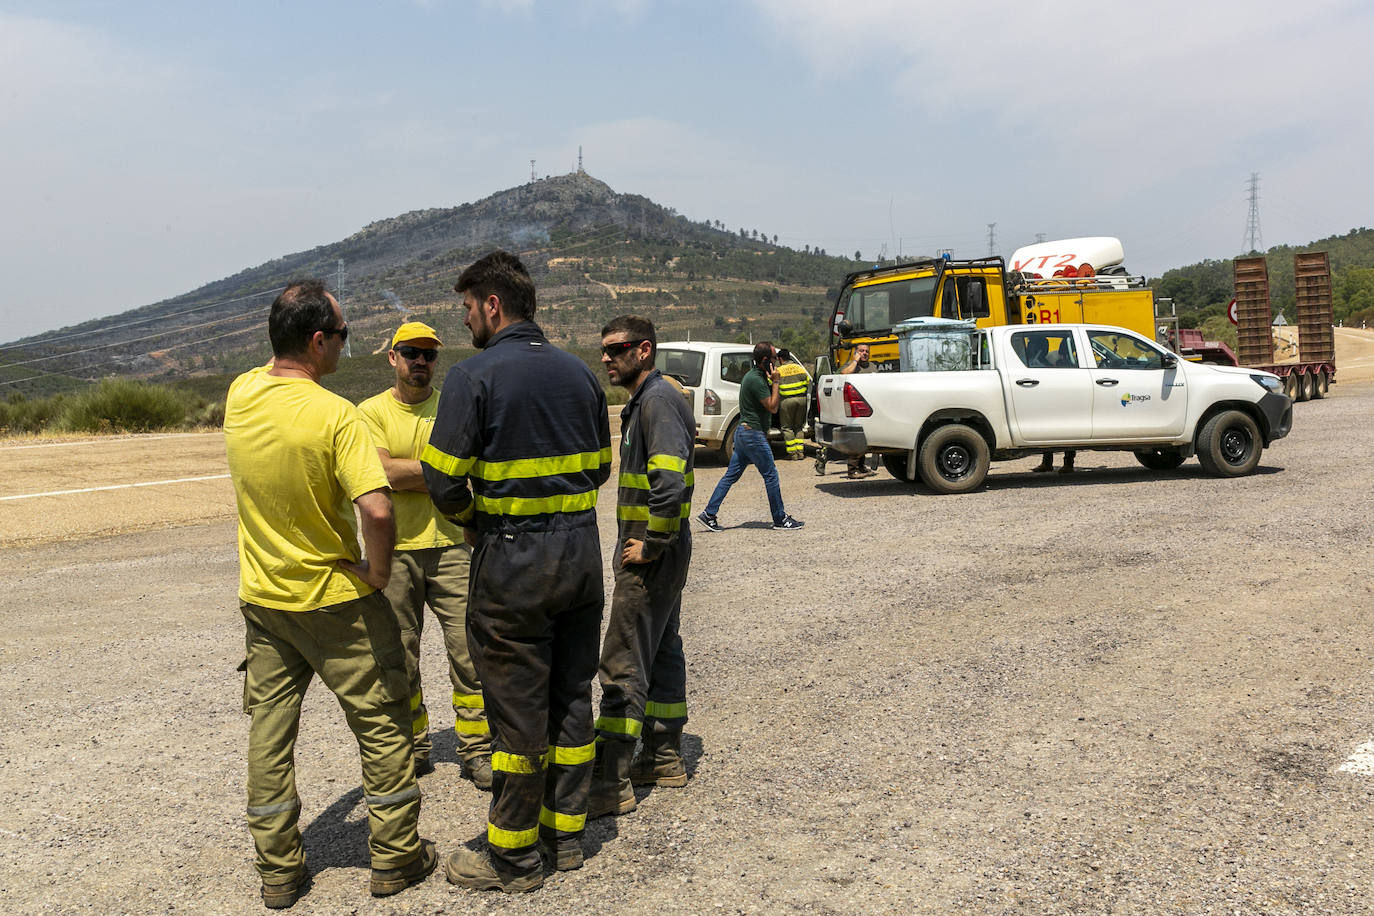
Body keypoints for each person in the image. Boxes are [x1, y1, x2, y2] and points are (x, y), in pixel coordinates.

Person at [224, 280, 435, 909]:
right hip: (336, 600)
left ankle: (279, 870)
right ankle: (396, 858)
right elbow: (375, 507)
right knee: (381, 723)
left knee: (269, 735)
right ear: (319, 341)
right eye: (342, 335)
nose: (346, 345)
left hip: (265, 602)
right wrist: (377, 573)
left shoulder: (240, 395)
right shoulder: (335, 414)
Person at [421, 251, 610, 892]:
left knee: (517, 715)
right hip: (581, 561)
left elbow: (443, 481)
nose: (465, 319)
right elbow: (601, 469)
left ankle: (512, 858)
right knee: (571, 700)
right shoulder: (583, 376)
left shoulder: (473, 377)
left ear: (492, 305)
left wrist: (477, 520)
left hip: (514, 567)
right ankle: (567, 839)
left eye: (467, 307)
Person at [358, 321, 493, 789]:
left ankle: (478, 750)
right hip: (395, 553)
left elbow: (470, 468)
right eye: (411, 352)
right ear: (392, 357)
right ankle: (413, 748)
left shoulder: (454, 406)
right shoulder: (369, 412)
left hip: (454, 546)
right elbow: (382, 476)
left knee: (470, 655)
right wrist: (441, 470)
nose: (421, 361)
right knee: (398, 658)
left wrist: (415, 471)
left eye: (429, 355)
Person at [586, 315, 695, 821]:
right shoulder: (648, 400)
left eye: (617, 349)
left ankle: (610, 782)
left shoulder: (655, 401)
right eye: (604, 349)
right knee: (662, 645)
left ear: (645, 350)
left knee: (623, 657)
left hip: (651, 554)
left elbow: (669, 482)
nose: (606, 357)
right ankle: (665, 755)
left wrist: (651, 544)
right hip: (661, 550)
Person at [696, 342, 804, 531]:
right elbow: (772, 406)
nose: (776, 363)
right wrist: (777, 382)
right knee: (771, 475)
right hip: (752, 434)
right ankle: (780, 519)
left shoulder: (759, 376)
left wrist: (772, 380)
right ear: (764, 360)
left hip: (744, 434)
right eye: (773, 359)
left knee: (730, 476)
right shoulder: (755, 379)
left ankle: (709, 514)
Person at [815, 343, 877, 479]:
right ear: (856, 352)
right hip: (852, 408)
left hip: (868, 407)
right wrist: (855, 361)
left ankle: (861, 467)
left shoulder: (873, 367)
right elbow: (843, 374)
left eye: (867, 351)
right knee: (857, 439)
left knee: (865, 438)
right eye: (861, 351)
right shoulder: (850, 365)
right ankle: (853, 469)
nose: (864, 353)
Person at [774, 349, 811, 461]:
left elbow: (771, 383)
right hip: (801, 400)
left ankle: (792, 454)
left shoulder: (778, 370)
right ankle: (800, 453)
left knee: (787, 428)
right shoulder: (799, 368)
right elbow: (808, 381)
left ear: (780, 359)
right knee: (798, 427)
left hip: (787, 401)